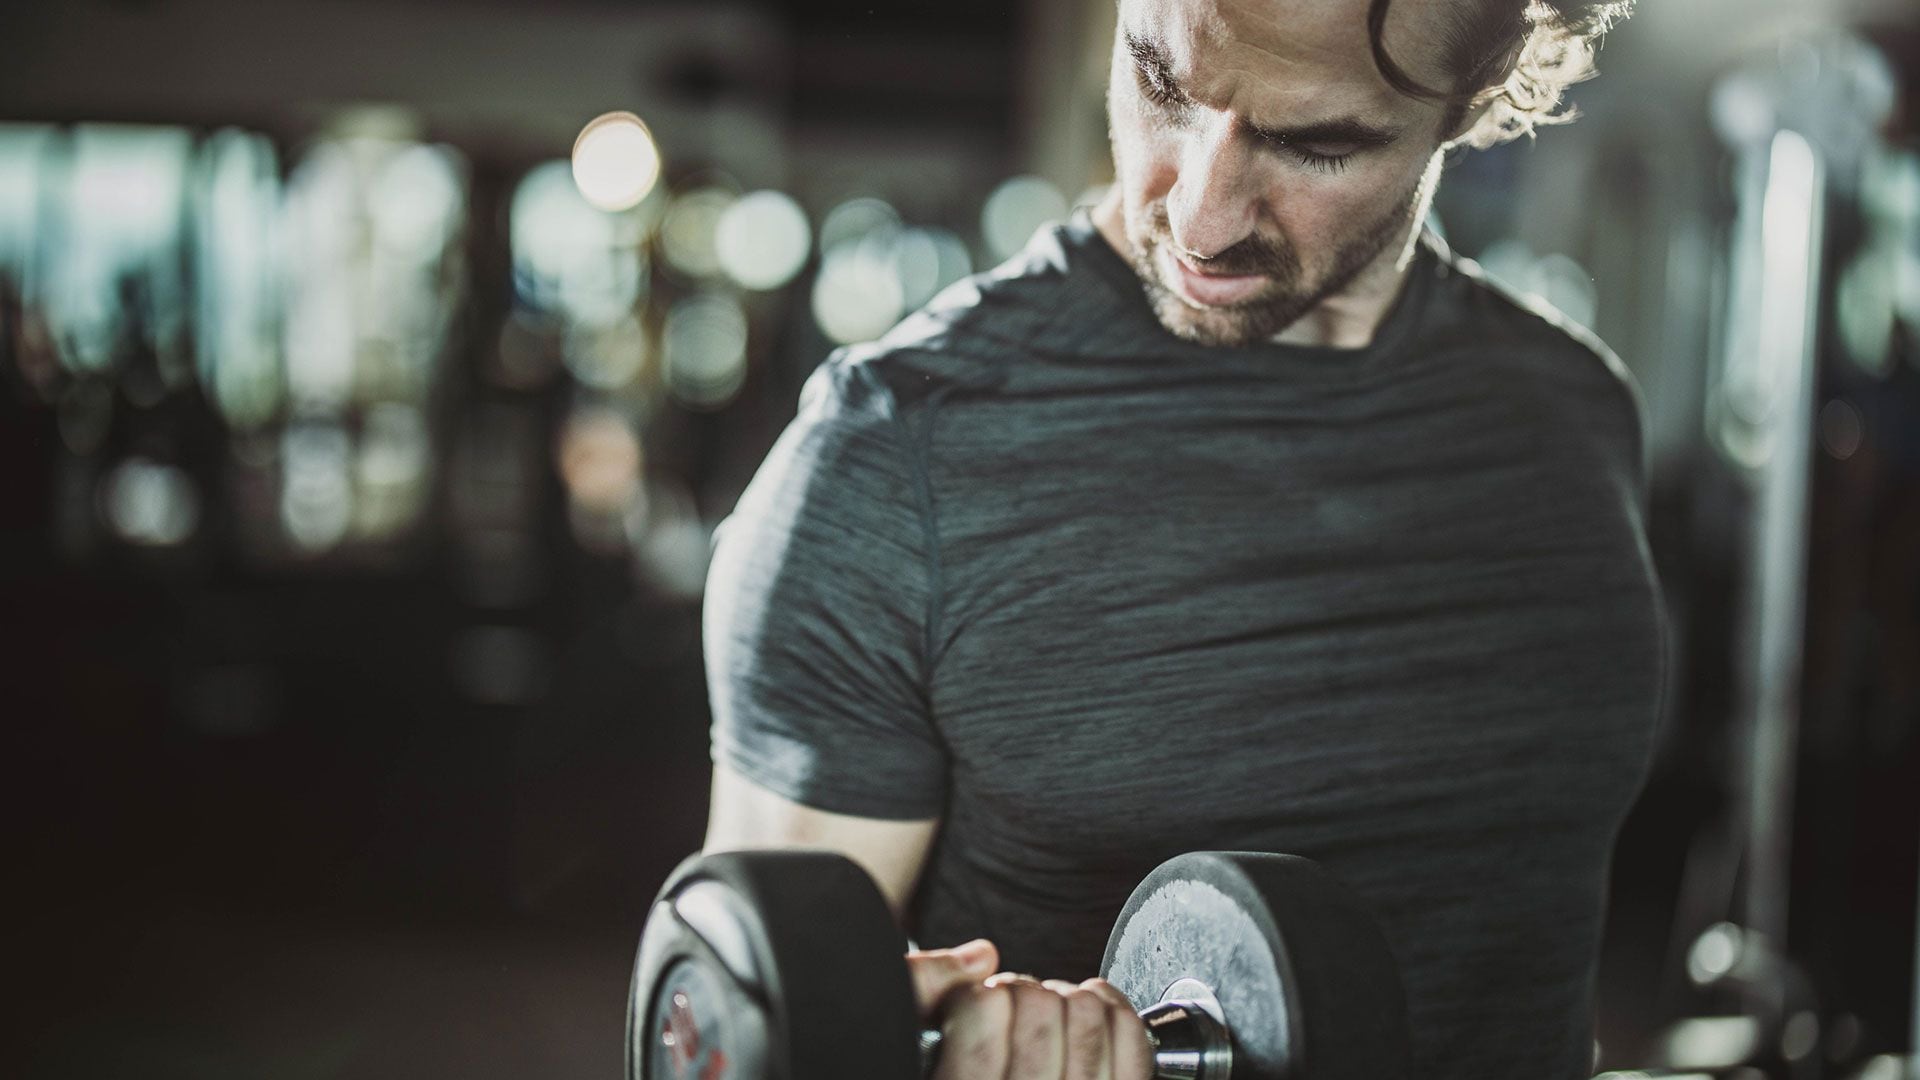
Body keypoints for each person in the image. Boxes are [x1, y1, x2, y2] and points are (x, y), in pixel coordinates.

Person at [699, 0, 1664, 1076]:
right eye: (1160, 85)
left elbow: (1519, 968)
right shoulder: (894, 459)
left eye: (1316, 143)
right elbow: (752, 1032)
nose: (1201, 217)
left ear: (1481, 95)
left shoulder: (1574, 420)